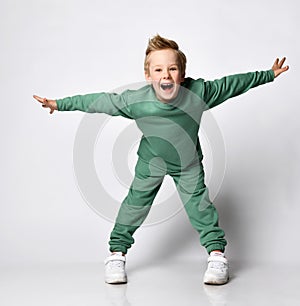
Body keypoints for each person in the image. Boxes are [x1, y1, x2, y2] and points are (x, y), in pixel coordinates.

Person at [33, 34, 289, 285]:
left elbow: (231, 84)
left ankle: (217, 255)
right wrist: (60, 104)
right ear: (148, 76)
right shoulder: (136, 101)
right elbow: (98, 101)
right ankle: (116, 254)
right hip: (151, 162)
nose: (165, 75)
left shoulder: (198, 92)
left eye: (172, 68)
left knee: (200, 207)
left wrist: (267, 74)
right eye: (158, 70)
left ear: (182, 74)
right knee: (134, 205)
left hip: (187, 164)